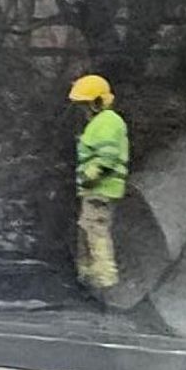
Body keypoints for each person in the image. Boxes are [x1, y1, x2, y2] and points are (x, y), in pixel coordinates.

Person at [68, 74, 129, 291]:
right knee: (87, 231)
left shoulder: (108, 122)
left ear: (97, 102)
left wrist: (89, 177)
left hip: (100, 188)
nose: (82, 111)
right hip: (95, 190)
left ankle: (105, 283)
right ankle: (89, 277)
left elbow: (107, 158)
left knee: (96, 233)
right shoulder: (100, 123)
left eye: (84, 105)